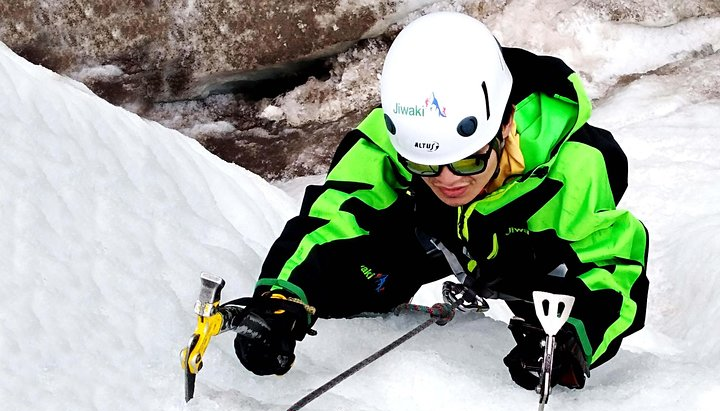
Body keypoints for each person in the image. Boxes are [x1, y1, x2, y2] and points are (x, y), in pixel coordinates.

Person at [216, 12, 649, 390]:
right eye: (425, 164)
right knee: (348, 279)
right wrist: (283, 297)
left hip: (530, 254)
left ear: (505, 127)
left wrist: (576, 337)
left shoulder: (574, 167)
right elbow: (336, 215)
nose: (447, 182)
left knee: (559, 317)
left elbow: (614, 267)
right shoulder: (391, 138)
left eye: (467, 161)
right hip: (437, 237)